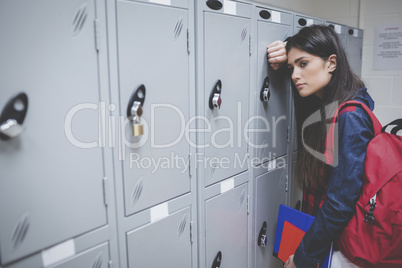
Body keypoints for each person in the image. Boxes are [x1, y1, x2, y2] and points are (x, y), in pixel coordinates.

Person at [267, 25, 375, 268]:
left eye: (303, 64)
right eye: (291, 68)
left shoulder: (350, 117)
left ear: (332, 63)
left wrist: (304, 257)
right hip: (325, 244)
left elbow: (339, 203)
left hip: (340, 252)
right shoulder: (330, 105)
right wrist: (286, 50)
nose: (294, 74)